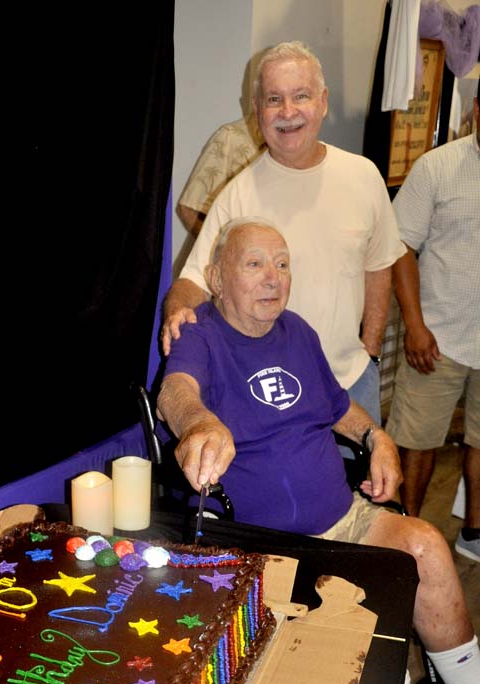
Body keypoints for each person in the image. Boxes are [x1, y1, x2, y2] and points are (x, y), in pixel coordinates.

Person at [157, 218, 480, 684]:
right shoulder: (204, 336)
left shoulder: (296, 332)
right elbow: (177, 393)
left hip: (345, 515)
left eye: (282, 264)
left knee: (427, 545)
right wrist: (200, 423)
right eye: (254, 265)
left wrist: (376, 434)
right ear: (218, 278)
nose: (273, 278)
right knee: (364, 615)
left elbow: (336, 405)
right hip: (273, 548)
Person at [162, 40, 407, 425]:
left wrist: (371, 350)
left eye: (301, 96)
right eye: (274, 99)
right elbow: (195, 281)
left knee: (364, 486)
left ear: (323, 101)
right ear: (257, 110)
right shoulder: (238, 194)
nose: (288, 112)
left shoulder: (363, 176)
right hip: (273, 396)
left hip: (352, 384)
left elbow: (378, 265)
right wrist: (177, 309)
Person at [385, 81, 480, 563]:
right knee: (417, 440)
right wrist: (415, 325)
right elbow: (399, 244)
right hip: (438, 337)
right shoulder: (438, 167)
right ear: (477, 110)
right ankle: (407, 531)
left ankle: (475, 534)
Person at [177, 111, 265, 238]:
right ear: (256, 102)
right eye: (274, 98)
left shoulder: (299, 146)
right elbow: (190, 210)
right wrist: (228, 251)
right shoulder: (231, 137)